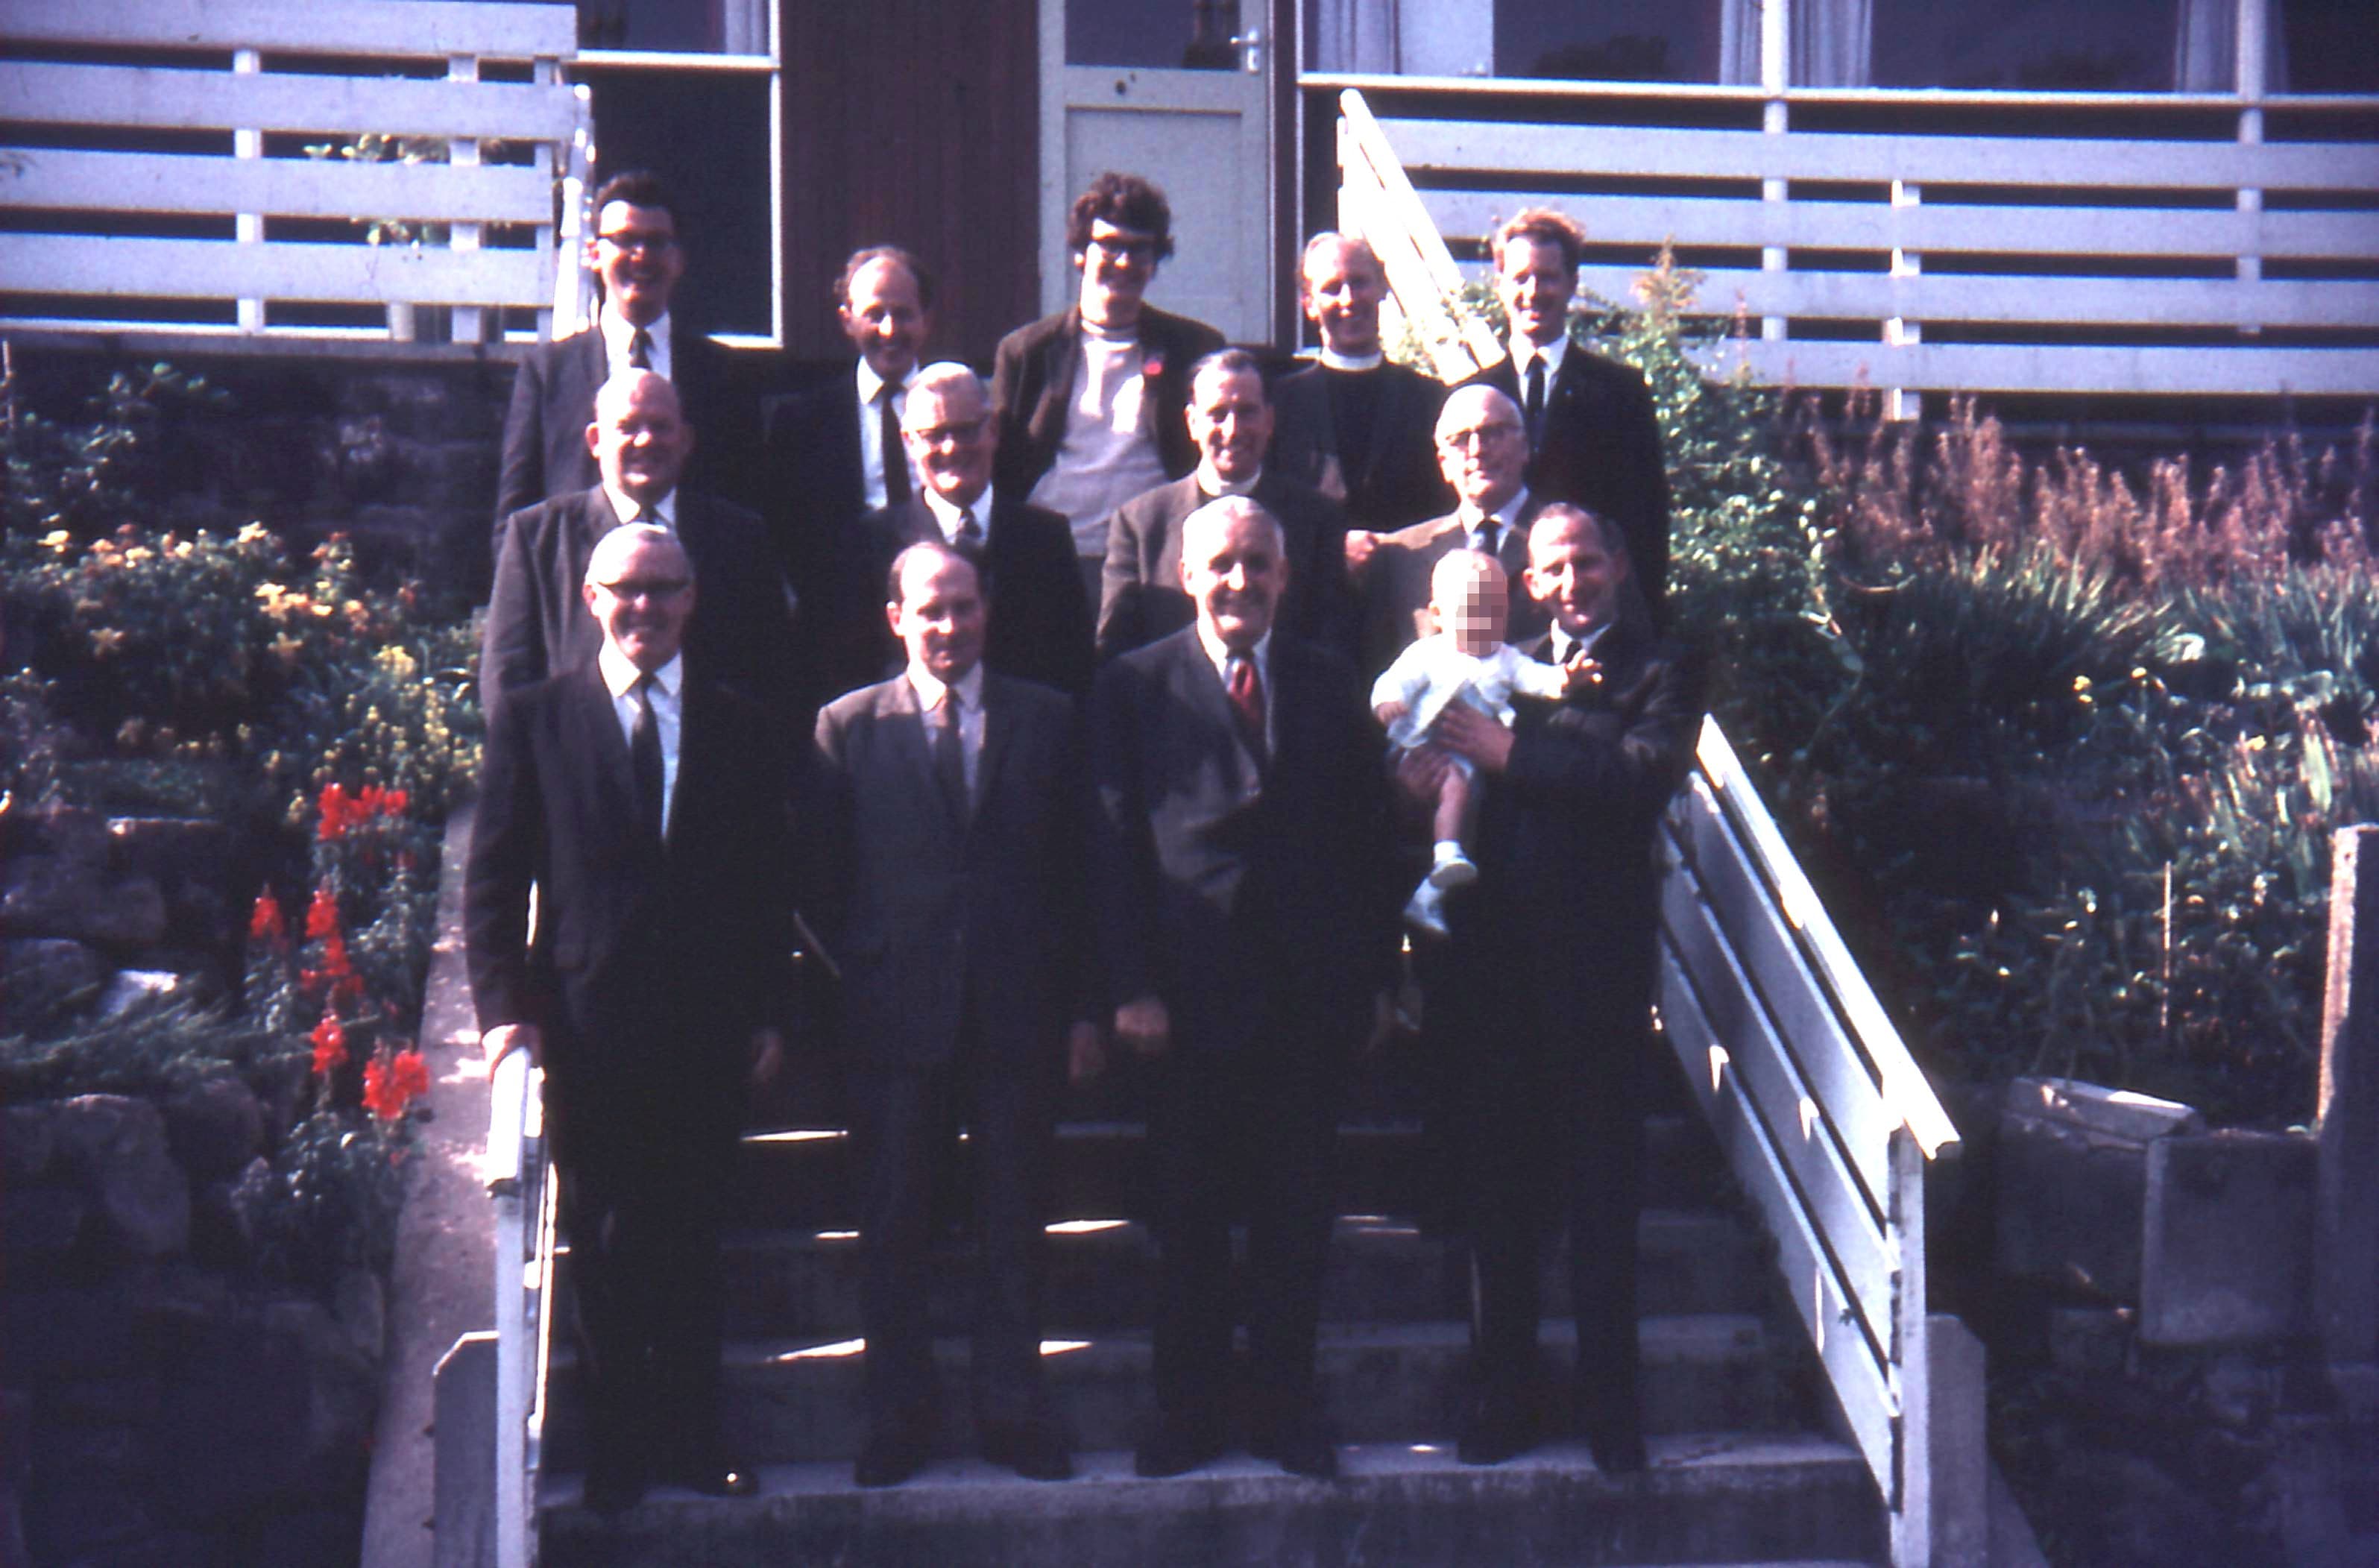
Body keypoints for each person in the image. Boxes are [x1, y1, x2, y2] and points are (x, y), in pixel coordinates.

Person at [464, 523, 795, 1513]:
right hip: (584, 1021)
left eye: (663, 588)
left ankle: (694, 1437)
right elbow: (492, 879)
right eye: (624, 589)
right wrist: (498, 1014)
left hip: (705, 1024)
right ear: (590, 596)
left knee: (694, 1233)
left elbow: (763, 883)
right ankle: (617, 1445)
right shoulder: (535, 717)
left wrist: (770, 1007)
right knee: (604, 1242)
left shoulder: (738, 720)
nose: (643, 606)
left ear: (692, 598)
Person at [1091, 496, 1399, 1482]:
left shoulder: (1323, 680)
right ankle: (1186, 1415)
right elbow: (1108, 849)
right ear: (1185, 573)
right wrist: (1130, 984)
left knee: (1294, 1218)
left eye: (1257, 564)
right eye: (1220, 563)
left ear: (1283, 575)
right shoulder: (1131, 686)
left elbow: (1367, 843)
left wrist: (1374, 981)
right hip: (1180, 1006)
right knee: (1186, 1221)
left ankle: (1281, 1409)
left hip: (1304, 1004)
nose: (1239, 581)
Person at [1405, 502, 1704, 1474]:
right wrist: (1422, 775)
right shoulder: (1501, 663)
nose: (1569, 580)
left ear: (1616, 563)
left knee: (1599, 1195)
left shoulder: (1660, 667)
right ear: (1526, 581)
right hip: (1491, 972)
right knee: (1499, 1195)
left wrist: (1512, 755)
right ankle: (1505, 1391)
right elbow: (1440, 755)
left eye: (1585, 559)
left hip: (1596, 975)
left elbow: (1635, 775)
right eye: (1551, 568)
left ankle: (1609, 1404)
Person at [813, 542, 1099, 1488]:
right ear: (895, 618)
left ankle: (1012, 1409)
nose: (948, 626)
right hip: (895, 1016)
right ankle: (899, 1415)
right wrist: (862, 968)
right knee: (893, 1223)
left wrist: (1083, 1006)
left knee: (1016, 1219)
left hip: (1018, 1012)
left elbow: (1081, 874)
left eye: (963, 608)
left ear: (988, 612)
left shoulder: (1049, 720)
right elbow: (816, 879)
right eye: (929, 611)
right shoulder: (846, 728)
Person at [482, 370, 793, 722]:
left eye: (661, 427)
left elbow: (773, 673)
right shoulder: (538, 537)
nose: (646, 441)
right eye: (629, 427)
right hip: (575, 762)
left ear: (686, 439)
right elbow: (507, 673)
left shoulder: (740, 538)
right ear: (596, 440)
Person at [492, 171, 751, 564]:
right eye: (626, 241)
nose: (641, 256)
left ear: (678, 259)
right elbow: (514, 519)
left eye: (656, 242)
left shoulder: (722, 373)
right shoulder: (547, 372)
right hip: (578, 597)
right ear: (595, 254)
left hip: (690, 600)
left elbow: (746, 507)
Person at [989, 172, 1226, 594]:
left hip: (1156, 559)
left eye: (1139, 249)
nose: (1124, 261)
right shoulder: (1026, 352)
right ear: (1081, 253)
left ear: (1156, 260)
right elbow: (1001, 464)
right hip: (1052, 557)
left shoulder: (1194, 349)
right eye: (1110, 245)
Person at [1458, 207, 1671, 606]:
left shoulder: (1621, 394)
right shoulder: (1469, 395)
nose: (1533, 291)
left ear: (1573, 284)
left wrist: (1638, 626)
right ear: (1499, 285)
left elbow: (1646, 525)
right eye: (1520, 278)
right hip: (1494, 614)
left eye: (1548, 277)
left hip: (1588, 611)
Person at [1370, 548, 1580, 936]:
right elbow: (1394, 681)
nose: (1484, 625)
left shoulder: (1505, 658)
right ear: (1438, 615)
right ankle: (1439, 865)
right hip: (1416, 746)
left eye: (1494, 614)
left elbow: (1538, 678)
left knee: (1460, 792)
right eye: (1471, 614)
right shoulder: (1427, 654)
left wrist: (1566, 679)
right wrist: (1387, 702)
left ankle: (1439, 877)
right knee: (1446, 792)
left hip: (1467, 759)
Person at [1097, 348, 1351, 664]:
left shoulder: (1315, 519)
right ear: (1191, 422)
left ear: (1269, 420)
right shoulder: (1142, 524)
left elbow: (1332, 640)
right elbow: (1116, 649)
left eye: (1247, 412)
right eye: (1218, 414)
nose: (1233, 430)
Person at [767, 247, 936, 711]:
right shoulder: (800, 421)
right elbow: (786, 535)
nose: (889, 330)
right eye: (874, 315)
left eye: (904, 314)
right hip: (837, 637)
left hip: (943, 620)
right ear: (847, 321)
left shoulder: (957, 413)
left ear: (927, 319)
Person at [861, 363, 1094, 698]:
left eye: (966, 430)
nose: (952, 447)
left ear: (994, 431)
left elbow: (1074, 669)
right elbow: (860, 670)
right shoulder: (873, 542)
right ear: (909, 442)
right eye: (935, 435)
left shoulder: (1046, 539)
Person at [1268, 232, 1452, 538]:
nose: (1348, 299)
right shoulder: (1278, 405)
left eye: (1359, 282)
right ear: (1309, 304)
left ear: (1383, 287)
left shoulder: (1432, 401)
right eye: (1331, 288)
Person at [1365, 384, 1548, 672]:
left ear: (1524, 447)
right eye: (1461, 440)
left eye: (1493, 433)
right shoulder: (1399, 554)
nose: (1477, 450)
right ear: (1443, 464)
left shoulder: (1576, 539)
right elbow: (1376, 667)